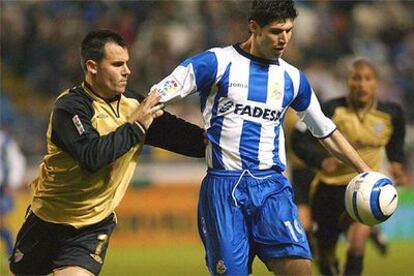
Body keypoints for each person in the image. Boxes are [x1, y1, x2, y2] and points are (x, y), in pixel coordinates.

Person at [152, 1, 372, 275]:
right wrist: (129, 127)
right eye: (276, 31)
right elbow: (158, 93)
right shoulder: (217, 62)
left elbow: (325, 130)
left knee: (300, 270)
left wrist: (366, 171)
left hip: (272, 189)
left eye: (289, 31)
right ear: (254, 27)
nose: (284, 39)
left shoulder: (293, 78)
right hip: (225, 189)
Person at [9, 29, 206, 276]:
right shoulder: (69, 108)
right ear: (92, 66)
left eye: (127, 63)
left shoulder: (135, 105)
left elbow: (187, 139)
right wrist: (136, 126)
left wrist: (225, 138)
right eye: (117, 64)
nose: (127, 71)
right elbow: (93, 157)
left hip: (91, 226)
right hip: (46, 219)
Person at [291, 58, 407, 275]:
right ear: (348, 82)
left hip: (364, 189)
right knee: (325, 253)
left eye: (367, 79)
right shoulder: (332, 109)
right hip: (328, 190)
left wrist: (396, 163)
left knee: (357, 243)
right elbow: (299, 139)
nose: (361, 84)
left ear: (376, 83)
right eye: (356, 78)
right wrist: (321, 160)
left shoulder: (391, 114)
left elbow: (396, 140)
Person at [283, 109, 315, 252]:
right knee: (308, 207)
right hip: (316, 167)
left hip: (299, 167)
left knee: (303, 206)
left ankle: (309, 245)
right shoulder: (308, 112)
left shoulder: (285, 116)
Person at [0, 128, 26, 258]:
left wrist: (12, 182)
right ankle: (14, 253)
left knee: (2, 221)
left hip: (2, 189)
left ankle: (13, 253)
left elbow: (17, 161)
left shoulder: (5, 140)